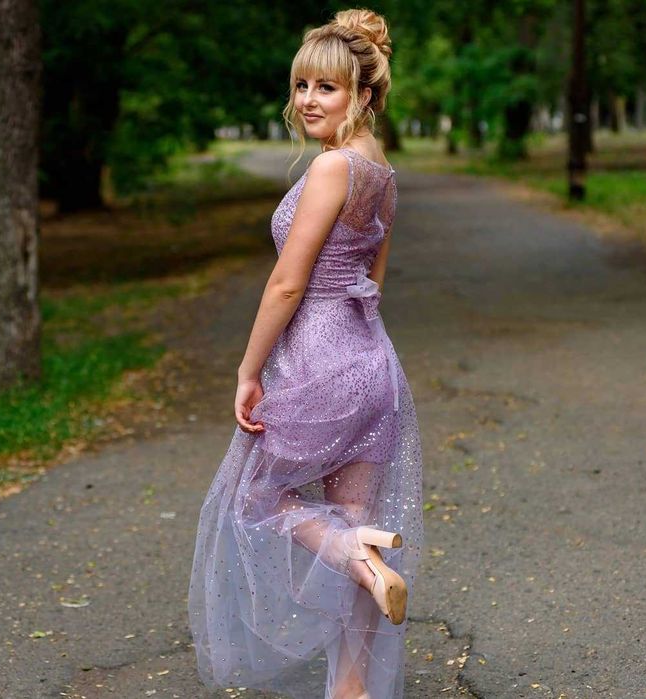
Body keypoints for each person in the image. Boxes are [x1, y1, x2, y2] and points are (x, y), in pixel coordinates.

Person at [188, 9, 424, 699]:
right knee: (359, 522)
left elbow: (288, 283)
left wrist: (249, 370)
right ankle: (350, 686)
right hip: (371, 362)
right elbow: (373, 280)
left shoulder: (331, 168)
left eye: (327, 87)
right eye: (301, 86)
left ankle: (353, 555)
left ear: (362, 94)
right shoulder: (382, 171)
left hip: (319, 359)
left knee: (257, 495)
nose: (309, 101)